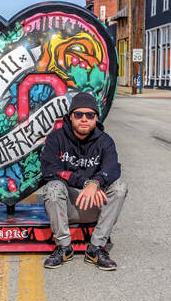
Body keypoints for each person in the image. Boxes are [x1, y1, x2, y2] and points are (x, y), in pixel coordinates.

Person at [40, 92, 128, 270]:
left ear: (96, 118)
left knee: (119, 187)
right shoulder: (56, 139)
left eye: (90, 115)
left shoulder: (105, 141)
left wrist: (95, 183)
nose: (84, 119)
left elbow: (113, 168)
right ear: (70, 117)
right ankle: (64, 247)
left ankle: (95, 248)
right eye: (79, 114)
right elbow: (49, 170)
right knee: (53, 188)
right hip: (68, 206)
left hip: (96, 205)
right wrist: (86, 183)